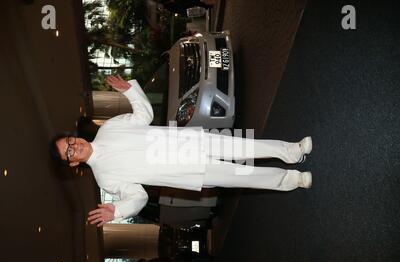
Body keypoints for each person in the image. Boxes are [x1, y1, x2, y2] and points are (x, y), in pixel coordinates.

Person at [50, 75, 313, 226]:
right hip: (188, 172)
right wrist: (117, 211)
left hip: (188, 142)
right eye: (69, 153)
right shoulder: (104, 178)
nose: (75, 147)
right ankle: (293, 180)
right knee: (243, 176)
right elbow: (138, 197)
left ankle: (292, 151)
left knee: (245, 145)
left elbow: (144, 114)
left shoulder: (109, 128)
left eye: (70, 142)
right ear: (73, 164)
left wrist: (130, 91)